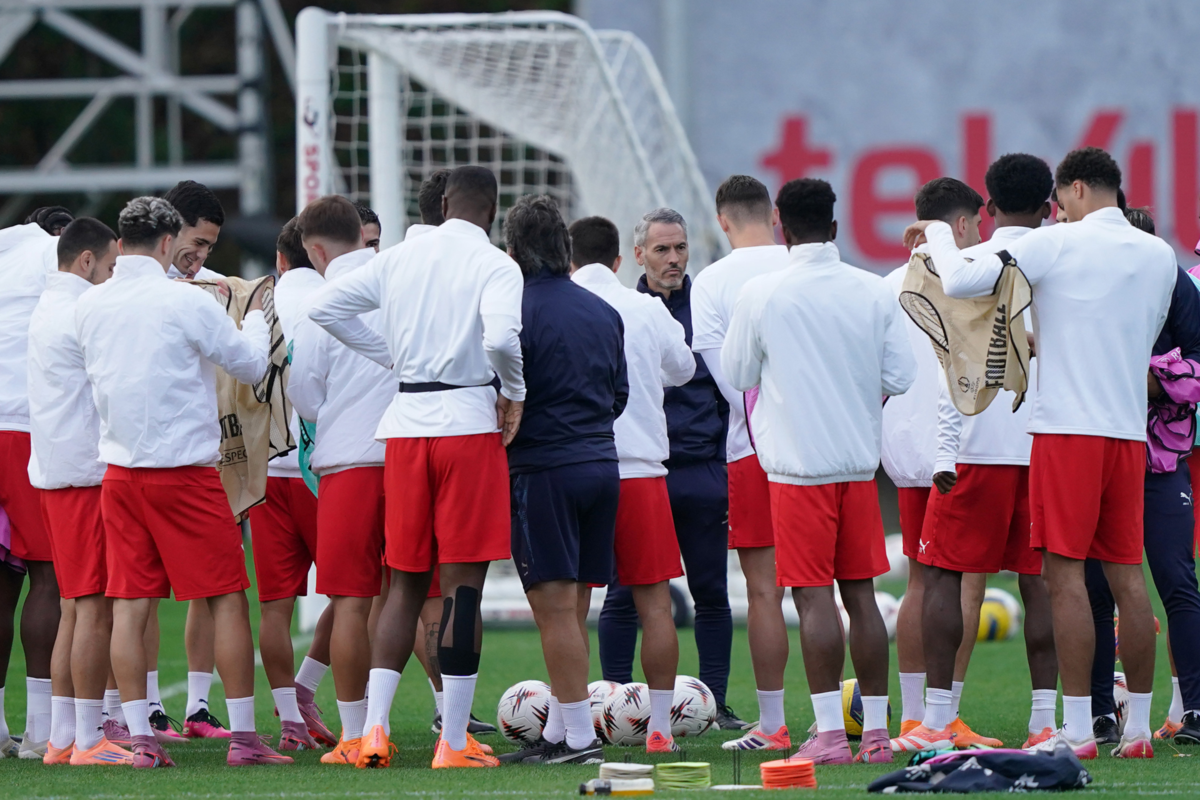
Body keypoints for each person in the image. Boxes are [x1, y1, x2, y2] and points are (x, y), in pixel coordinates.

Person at [902, 147, 1177, 759]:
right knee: (1130, 581)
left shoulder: (1057, 241)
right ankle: (1137, 730)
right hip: (1127, 432)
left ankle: (1076, 729)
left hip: (1066, 433)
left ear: (1075, 188)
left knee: (1064, 578)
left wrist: (940, 232)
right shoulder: (1158, 253)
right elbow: (1138, 332)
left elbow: (961, 280)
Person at [308, 165, 521, 769]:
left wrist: (393, 356)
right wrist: (515, 390)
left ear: (444, 204)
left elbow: (326, 306)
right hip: (466, 423)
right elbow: (502, 339)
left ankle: (372, 731)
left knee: (401, 583)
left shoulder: (399, 257)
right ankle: (452, 740)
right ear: (491, 211)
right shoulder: (495, 264)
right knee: (461, 589)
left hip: (404, 428)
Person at [75, 196, 290, 767]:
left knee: (129, 605)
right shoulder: (184, 301)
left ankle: (141, 739)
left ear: (121, 241)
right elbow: (250, 364)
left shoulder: (90, 304)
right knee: (226, 599)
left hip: (120, 474)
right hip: (185, 474)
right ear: (168, 242)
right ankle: (244, 738)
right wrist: (254, 317)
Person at [724, 178, 915, 765]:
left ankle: (831, 734)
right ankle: (876, 735)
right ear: (834, 226)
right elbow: (901, 377)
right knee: (862, 598)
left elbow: (739, 374)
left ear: (780, 226)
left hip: (797, 470)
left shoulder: (762, 291)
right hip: (856, 467)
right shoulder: (871, 289)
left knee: (813, 601)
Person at [892, 159, 1059, 753]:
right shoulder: (1062, 260)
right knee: (1044, 582)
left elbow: (953, 348)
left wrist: (935, 232)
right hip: (1041, 444)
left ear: (988, 208)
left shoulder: (973, 262)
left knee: (940, 577)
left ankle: (936, 719)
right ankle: (1046, 722)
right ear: (1051, 207)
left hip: (973, 447)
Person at [596, 207, 741, 729]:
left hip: (701, 472)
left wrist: (722, 464)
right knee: (622, 594)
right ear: (638, 255)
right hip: (639, 473)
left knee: (712, 593)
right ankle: (613, 703)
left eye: (680, 248)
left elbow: (730, 394)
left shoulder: (709, 311)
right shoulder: (619, 311)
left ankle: (714, 704)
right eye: (662, 249)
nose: (673, 258)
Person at [498, 199, 627, 765]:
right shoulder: (603, 310)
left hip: (545, 469)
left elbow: (501, 395)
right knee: (574, 608)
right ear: (565, 249)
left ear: (511, 253)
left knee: (553, 611)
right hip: (601, 465)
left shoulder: (512, 311)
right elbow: (620, 394)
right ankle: (559, 731)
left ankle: (577, 738)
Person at [573, 214, 696, 754]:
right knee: (655, 605)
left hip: (577, 467)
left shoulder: (553, 305)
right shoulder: (645, 308)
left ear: (569, 259)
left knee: (569, 605)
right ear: (622, 259)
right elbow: (684, 369)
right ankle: (661, 730)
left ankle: (571, 727)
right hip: (641, 469)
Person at [1085, 206, 1200, 747]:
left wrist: (1143, 376)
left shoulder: (1176, 287)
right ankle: (1099, 714)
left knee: (1177, 582)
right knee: (1093, 589)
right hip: (1096, 456)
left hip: (1160, 461)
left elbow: (1195, 372)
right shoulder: (1089, 289)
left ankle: (1193, 709)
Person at [689, 175, 792, 748]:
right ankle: (842, 723)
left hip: (752, 448)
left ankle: (773, 725)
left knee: (763, 592)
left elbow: (730, 382)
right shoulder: (803, 266)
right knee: (828, 590)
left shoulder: (712, 281)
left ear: (722, 222)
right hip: (822, 448)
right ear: (773, 215)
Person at [289, 195, 392, 765]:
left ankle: (356, 734)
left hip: (349, 461)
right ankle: (451, 727)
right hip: (409, 453)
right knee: (422, 596)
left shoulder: (319, 302)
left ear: (315, 250)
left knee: (351, 602)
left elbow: (305, 396)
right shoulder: (400, 282)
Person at [26, 218, 127, 766]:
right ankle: (88, 738)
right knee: (93, 609)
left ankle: (64, 735)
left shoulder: (49, 304)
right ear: (86, 261)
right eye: (111, 267)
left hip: (57, 474)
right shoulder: (80, 310)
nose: (113, 277)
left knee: (74, 607)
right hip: (85, 477)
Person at [246, 217, 337, 751]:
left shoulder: (256, 303)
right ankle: (313, 690)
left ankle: (289, 718)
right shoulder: (330, 299)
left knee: (274, 607)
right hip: (319, 465)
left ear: (280, 260)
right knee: (361, 594)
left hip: (265, 472)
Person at [0, 206, 72, 759]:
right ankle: (41, 730)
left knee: (2, 583)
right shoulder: (58, 258)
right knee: (49, 578)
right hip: (28, 427)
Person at [159, 180, 229, 742]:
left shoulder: (209, 288)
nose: (201, 256)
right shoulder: (117, 283)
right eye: (196, 242)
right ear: (169, 228)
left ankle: (198, 707)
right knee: (130, 594)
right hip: (132, 460)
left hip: (195, 456)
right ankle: (134, 710)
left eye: (209, 247)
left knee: (208, 586)